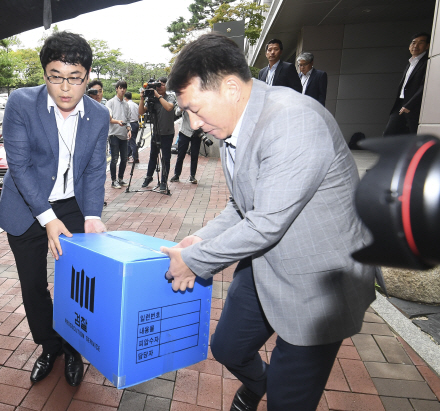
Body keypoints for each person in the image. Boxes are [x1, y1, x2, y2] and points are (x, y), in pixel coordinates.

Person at [162, 33, 380, 411]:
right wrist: (198, 239)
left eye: (196, 109)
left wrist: (195, 262)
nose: (194, 125)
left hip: (319, 284)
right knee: (227, 347)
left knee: (288, 400)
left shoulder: (293, 121)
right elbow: (241, 206)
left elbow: (265, 223)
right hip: (267, 262)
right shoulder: (236, 125)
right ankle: (259, 384)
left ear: (231, 87)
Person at [0, 31, 108, 387]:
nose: (64, 88)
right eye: (55, 76)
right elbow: (19, 165)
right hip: (27, 208)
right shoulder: (21, 103)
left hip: (73, 205)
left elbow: (93, 170)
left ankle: (73, 349)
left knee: (77, 287)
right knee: (33, 285)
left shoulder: (100, 114)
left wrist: (92, 216)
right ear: (44, 73)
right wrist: (47, 219)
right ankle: (49, 346)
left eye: (74, 78)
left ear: (87, 77)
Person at [383, 32, 431, 136]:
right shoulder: (411, 63)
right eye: (413, 43)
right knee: (389, 133)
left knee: (414, 135)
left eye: (420, 43)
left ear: (427, 46)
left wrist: (410, 105)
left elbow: (425, 87)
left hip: (414, 105)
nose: (416, 46)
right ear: (410, 46)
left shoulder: (427, 63)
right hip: (401, 103)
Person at [139, 76, 177, 193]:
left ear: (166, 86)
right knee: (152, 157)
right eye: (158, 84)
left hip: (167, 132)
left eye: (162, 85)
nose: (159, 87)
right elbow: (141, 112)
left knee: (166, 158)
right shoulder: (152, 97)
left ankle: (164, 180)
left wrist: (158, 96)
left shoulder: (170, 96)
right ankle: (149, 177)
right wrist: (141, 99)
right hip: (156, 132)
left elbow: (169, 107)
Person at [106, 80, 132, 189]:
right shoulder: (110, 102)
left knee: (124, 158)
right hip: (114, 134)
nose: (122, 90)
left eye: (124, 88)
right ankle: (113, 180)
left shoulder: (126, 104)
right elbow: (108, 118)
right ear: (116, 88)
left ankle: (120, 179)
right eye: (120, 88)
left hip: (123, 135)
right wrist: (118, 122)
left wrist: (129, 129)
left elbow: (128, 119)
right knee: (115, 158)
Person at [170, 109, 200, 184]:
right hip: (184, 132)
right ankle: (177, 175)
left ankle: (192, 176)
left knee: (194, 155)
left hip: (196, 133)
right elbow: (177, 113)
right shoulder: (184, 101)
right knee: (181, 154)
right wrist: (183, 107)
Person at [124, 92, 140, 163]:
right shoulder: (135, 105)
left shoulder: (127, 105)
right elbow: (139, 115)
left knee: (132, 141)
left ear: (125, 98)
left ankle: (135, 157)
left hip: (130, 124)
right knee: (130, 141)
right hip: (136, 123)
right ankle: (127, 155)